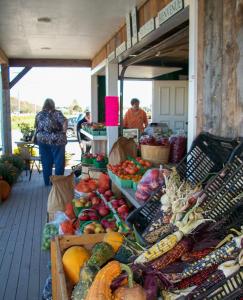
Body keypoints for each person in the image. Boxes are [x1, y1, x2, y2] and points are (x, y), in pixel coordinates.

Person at [34, 98, 67, 186]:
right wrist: (64, 132)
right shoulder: (57, 113)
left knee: (46, 162)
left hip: (42, 140)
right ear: (53, 105)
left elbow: (36, 127)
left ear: (44, 105)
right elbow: (65, 122)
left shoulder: (39, 115)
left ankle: (47, 182)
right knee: (59, 162)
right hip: (57, 140)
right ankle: (58, 183)